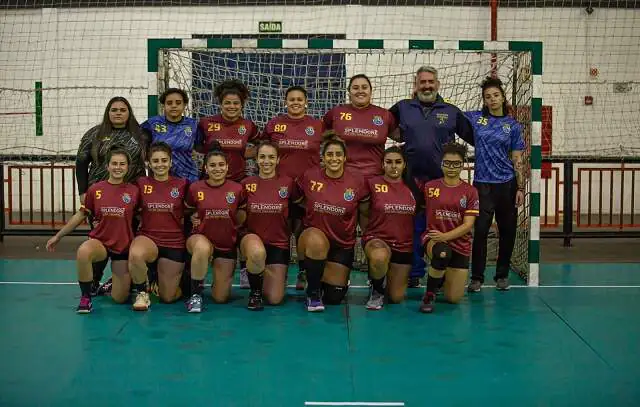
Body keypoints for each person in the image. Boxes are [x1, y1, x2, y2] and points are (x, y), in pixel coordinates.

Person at [389, 66, 475, 288]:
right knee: (412, 227)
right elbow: (382, 127)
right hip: (411, 180)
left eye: (430, 82)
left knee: (442, 225)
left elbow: (476, 138)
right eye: (422, 82)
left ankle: (442, 267)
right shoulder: (402, 108)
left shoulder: (452, 111)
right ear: (415, 85)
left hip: (442, 181)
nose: (426, 86)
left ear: (438, 84)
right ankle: (414, 273)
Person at [47, 148, 140, 313]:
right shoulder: (96, 189)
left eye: (122, 164)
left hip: (123, 246)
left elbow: (145, 215)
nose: (118, 167)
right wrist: (58, 236)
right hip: (101, 242)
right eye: (114, 163)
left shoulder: (134, 191)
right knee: (83, 251)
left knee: (120, 299)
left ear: (128, 167)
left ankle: (111, 284)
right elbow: (81, 214)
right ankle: (86, 297)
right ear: (107, 166)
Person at [75, 96, 146, 296]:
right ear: (108, 112)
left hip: (129, 198)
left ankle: (130, 279)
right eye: (114, 109)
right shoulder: (94, 134)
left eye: (123, 110)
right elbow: (81, 163)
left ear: (129, 113)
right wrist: (82, 191)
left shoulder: (140, 134)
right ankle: (94, 281)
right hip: (101, 199)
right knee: (101, 237)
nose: (118, 113)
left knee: (128, 238)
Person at [294, 131, 369, 312]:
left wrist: (368, 239)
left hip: (341, 244)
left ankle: (316, 273)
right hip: (314, 237)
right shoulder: (310, 176)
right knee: (316, 241)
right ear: (323, 157)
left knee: (334, 297)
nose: (333, 158)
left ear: (344, 158)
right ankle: (312, 292)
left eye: (338, 154)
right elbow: (298, 201)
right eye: (329, 154)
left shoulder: (357, 180)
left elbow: (364, 213)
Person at [465, 77, 526, 292]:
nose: (492, 99)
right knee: (480, 232)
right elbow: (452, 115)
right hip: (482, 185)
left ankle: (502, 275)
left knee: (508, 231)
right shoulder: (475, 119)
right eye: (487, 97)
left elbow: (517, 158)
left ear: (503, 97)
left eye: (496, 95)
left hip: (507, 184)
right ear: (484, 100)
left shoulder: (513, 126)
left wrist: (520, 187)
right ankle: (477, 278)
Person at [263, 85, 324, 291]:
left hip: (307, 190)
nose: (295, 102)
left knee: (302, 230)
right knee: (281, 230)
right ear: (285, 102)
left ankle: (303, 270)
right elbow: (262, 148)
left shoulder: (318, 125)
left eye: (299, 99)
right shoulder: (274, 125)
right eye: (291, 99)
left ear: (306, 102)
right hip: (278, 188)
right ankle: (274, 270)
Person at [127, 142, 189, 311]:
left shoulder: (182, 184)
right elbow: (127, 205)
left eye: (164, 160)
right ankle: (142, 293)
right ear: (148, 163)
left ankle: (165, 281)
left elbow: (193, 209)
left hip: (174, 242)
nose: (160, 164)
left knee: (167, 298)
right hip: (149, 238)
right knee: (136, 253)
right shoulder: (140, 183)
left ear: (171, 162)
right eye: (155, 161)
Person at [184, 148, 247, 313]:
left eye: (221, 165)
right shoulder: (195, 188)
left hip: (226, 244)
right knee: (202, 248)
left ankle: (213, 280)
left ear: (227, 167)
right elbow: (187, 210)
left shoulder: (238, 189)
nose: (217, 168)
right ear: (205, 168)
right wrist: (192, 216)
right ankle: (195, 295)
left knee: (220, 298)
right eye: (212, 165)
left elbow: (241, 215)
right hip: (200, 237)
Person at [419, 142, 479, 313]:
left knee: (453, 299)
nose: (451, 167)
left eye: (456, 164)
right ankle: (429, 294)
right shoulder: (430, 187)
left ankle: (441, 276)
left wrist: (446, 236)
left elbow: (468, 225)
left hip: (459, 243)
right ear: (441, 163)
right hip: (434, 238)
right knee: (442, 254)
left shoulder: (470, 191)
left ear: (462, 165)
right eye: (447, 163)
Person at [360, 146, 418, 310]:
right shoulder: (372, 184)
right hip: (378, 239)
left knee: (396, 298)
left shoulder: (414, 188)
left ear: (404, 165)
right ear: (382, 164)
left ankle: (379, 277)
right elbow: (363, 212)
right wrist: (368, 234)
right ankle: (377, 289)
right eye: (389, 162)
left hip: (403, 244)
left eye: (398, 162)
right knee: (379, 257)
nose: (394, 166)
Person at [240, 141, 295, 310]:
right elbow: (236, 214)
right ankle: (255, 293)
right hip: (252, 239)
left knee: (274, 298)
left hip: (278, 243)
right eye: (262, 157)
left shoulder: (288, 183)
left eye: (271, 157)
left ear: (278, 160)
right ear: (256, 160)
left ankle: (269, 275)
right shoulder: (246, 184)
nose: (266, 161)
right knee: (257, 253)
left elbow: (296, 213)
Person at [323, 74, 397, 180]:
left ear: (371, 91)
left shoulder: (385, 115)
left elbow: (399, 136)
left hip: (375, 177)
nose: (360, 91)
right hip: (343, 177)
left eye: (364, 87)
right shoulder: (336, 113)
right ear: (349, 92)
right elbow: (321, 137)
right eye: (355, 88)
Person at [198, 79, 260, 181]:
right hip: (210, 180)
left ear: (242, 105)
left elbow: (262, 144)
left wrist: (246, 153)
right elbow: (196, 146)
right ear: (221, 104)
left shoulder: (248, 125)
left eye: (236, 103)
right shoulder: (206, 123)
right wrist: (207, 153)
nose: (232, 106)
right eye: (227, 103)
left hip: (238, 181)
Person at [140, 88, 202, 182]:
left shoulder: (193, 124)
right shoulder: (152, 123)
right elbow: (137, 136)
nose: (174, 106)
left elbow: (200, 147)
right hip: (160, 178)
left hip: (188, 178)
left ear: (184, 105)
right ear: (163, 106)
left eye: (178, 103)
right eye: (169, 103)